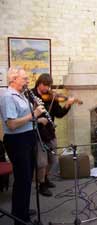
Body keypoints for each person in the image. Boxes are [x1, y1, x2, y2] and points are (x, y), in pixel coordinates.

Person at [0, 67, 45, 225]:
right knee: (22, 179)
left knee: (27, 179)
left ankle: (22, 210)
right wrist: (34, 114)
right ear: (13, 79)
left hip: (28, 137)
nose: (28, 81)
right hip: (17, 141)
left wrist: (36, 117)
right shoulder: (7, 96)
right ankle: (19, 218)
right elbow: (12, 124)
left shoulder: (22, 95)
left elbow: (24, 118)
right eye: (24, 78)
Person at [31, 73, 76, 197]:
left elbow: (59, 114)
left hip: (50, 131)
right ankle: (41, 184)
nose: (47, 89)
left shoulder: (51, 97)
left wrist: (68, 104)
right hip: (38, 133)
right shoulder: (31, 95)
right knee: (41, 162)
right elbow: (28, 115)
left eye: (49, 86)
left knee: (53, 159)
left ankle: (45, 178)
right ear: (39, 84)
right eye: (45, 86)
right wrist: (38, 119)